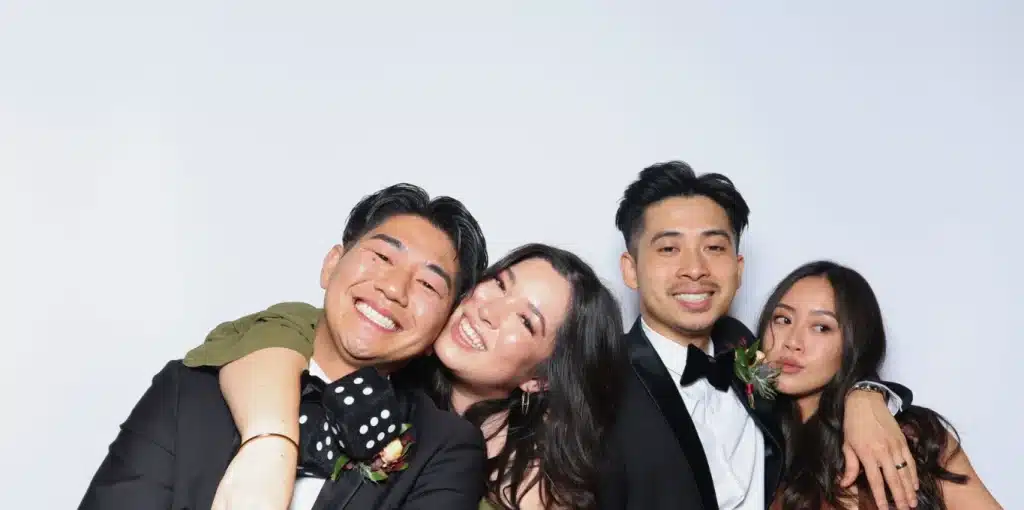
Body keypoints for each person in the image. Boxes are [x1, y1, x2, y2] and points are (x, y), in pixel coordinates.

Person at [78, 183, 491, 510]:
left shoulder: (445, 449)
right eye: (382, 258)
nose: (394, 289)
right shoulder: (186, 391)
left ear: (442, 324)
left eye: (427, 284)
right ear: (332, 264)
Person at [182, 243, 628, 510]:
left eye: (525, 322)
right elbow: (263, 334)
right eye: (498, 284)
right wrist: (269, 439)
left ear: (542, 379)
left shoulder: (537, 487)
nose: (487, 310)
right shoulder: (381, 359)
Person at [602, 161, 922, 510]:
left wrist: (866, 395)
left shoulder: (750, 350)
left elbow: (831, 369)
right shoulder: (597, 380)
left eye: (714, 247)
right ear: (631, 270)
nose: (694, 269)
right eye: (668, 249)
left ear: (738, 270)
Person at [759, 260, 1001, 509]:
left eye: (822, 327)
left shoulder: (912, 436)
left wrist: (865, 393)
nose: (793, 342)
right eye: (782, 319)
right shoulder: (747, 434)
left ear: (854, 343)